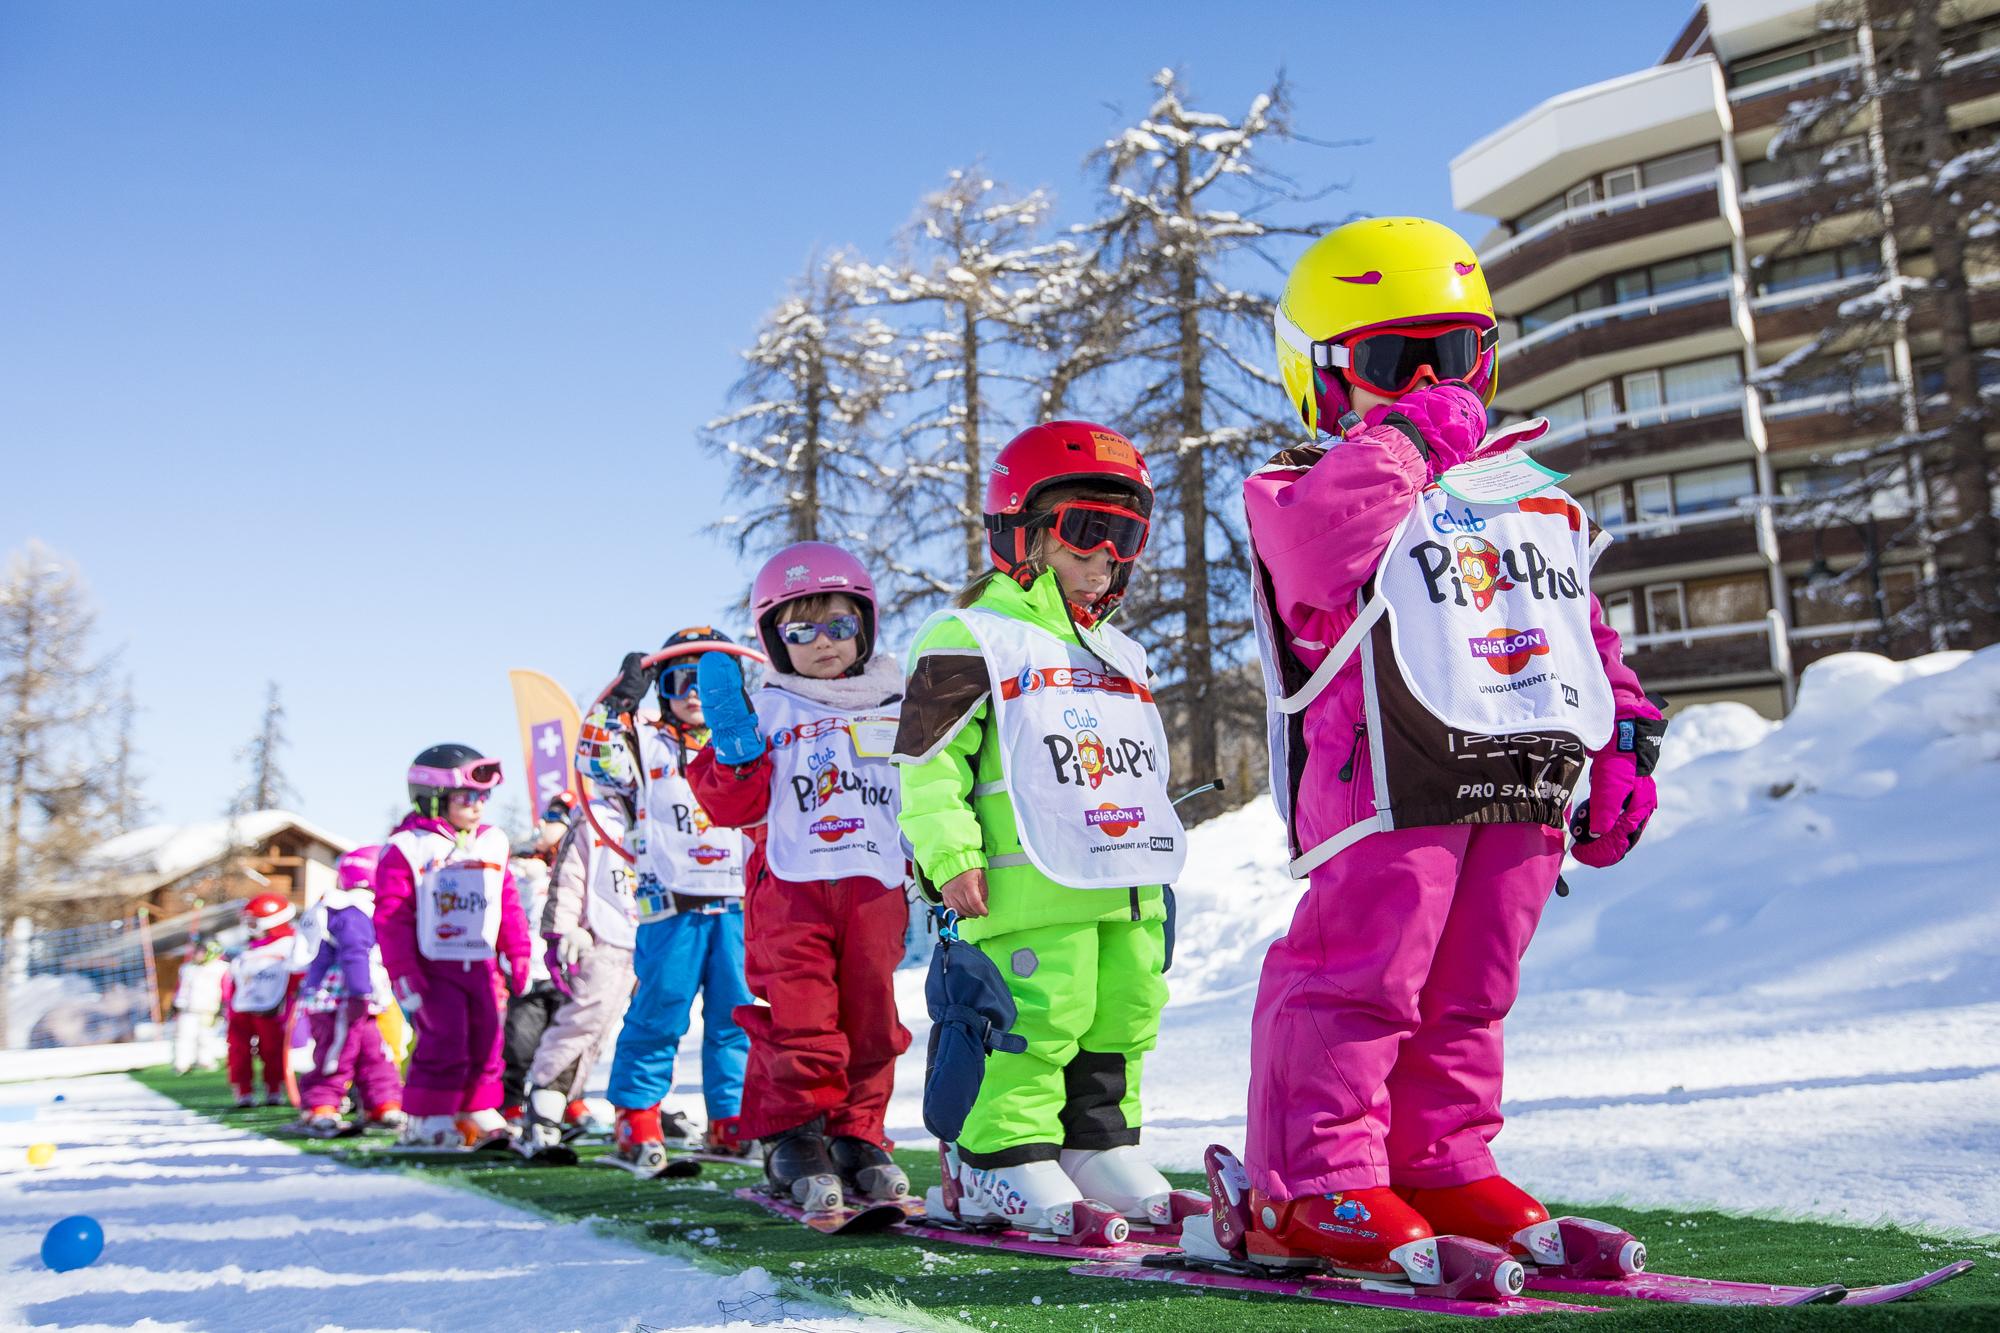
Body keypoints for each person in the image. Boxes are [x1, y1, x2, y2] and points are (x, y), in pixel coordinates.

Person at [1231, 216, 1665, 1276]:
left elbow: (1574, 621)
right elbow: (1318, 556)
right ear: (1325, 380)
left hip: (1519, 774)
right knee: (1360, 976)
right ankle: (1309, 1183)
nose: (1431, 380)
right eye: (1392, 361)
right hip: (1387, 777)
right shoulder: (1304, 483)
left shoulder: (1523, 492)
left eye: (1454, 357)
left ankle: (1435, 1160)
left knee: (1472, 985)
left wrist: (1621, 738)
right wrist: (1409, 437)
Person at [895, 421, 1200, 1236]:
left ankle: (1096, 1144)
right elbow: (924, 764)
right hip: (1024, 884)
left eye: (1124, 533)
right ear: (1019, 535)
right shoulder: (964, 637)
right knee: (1035, 1011)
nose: (1106, 552)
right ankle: (999, 1155)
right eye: (1084, 529)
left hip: (1124, 883)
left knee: (1125, 1011)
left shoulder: (1124, 653)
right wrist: (949, 854)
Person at [688, 545, 912, 1210]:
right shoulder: (768, 708)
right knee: (801, 1017)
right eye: (801, 630)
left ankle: (858, 1133)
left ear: (865, 628)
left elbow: (936, 782)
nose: (823, 644)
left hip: (875, 886)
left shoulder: (897, 701)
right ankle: (794, 1134)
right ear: (773, 638)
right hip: (791, 892)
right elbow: (731, 806)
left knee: (873, 1017)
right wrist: (734, 752)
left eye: (840, 626)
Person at [574, 627, 753, 1174]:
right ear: (663, 690)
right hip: (671, 903)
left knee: (738, 1017)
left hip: (738, 902)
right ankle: (637, 1114)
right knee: (660, 1013)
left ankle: (731, 1118)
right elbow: (597, 764)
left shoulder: (749, 741)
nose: (694, 693)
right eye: (680, 681)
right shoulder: (645, 741)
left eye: (707, 681)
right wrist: (617, 704)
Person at [374, 744, 533, 1149]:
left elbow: (507, 903)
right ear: (434, 798)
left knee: (486, 1037)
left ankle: (475, 1108)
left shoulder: (492, 842)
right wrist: (403, 972)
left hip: (479, 962)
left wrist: (517, 953)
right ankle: (430, 1116)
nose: (479, 806)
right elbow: (393, 916)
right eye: (468, 797)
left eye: (484, 797)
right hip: (433, 964)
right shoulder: (407, 847)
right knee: (444, 1037)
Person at [295, 845, 405, 1136]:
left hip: (360, 1001)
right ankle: (321, 1104)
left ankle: (383, 1102)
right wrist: (360, 991)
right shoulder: (350, 908)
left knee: (375, 1052)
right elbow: (355, 952)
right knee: (337, 1052)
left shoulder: (353, 906)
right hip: (343, 998)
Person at [225, 893, 300, 1107]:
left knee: (272, 1049)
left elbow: (296, 976)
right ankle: (243, 1090)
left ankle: (274, 1088)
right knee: (238, 1050)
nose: (249, 926)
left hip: (272, 1008)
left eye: (253, 921)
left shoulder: (289, 944)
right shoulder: (250, 948)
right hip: (242, 1007)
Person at [171, 935, 227, 1075]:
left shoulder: (221, 968)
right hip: (188, 1009)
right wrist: (176, 1005)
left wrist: (223, 1006)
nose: (197, 954)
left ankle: (206, 1061)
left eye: (201, 951)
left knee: (206, 1036)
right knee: (184, 1036)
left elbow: (226, 989)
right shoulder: (187, 969)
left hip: (210, 1009)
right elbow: (181, 989)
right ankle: (181, 1064)